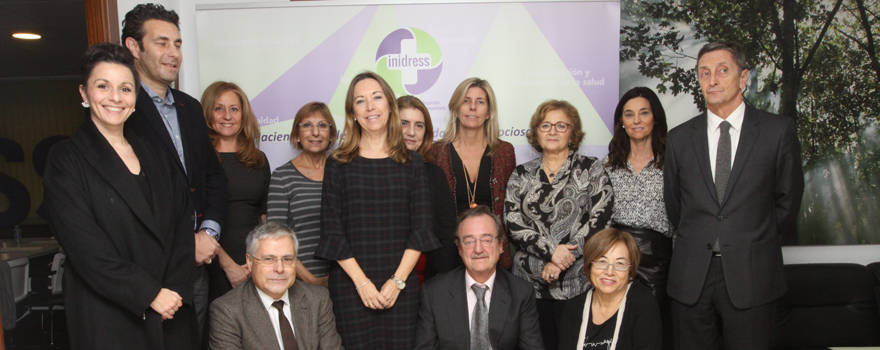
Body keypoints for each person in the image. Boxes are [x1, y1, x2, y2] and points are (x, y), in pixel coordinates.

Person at [44, 43, 197, 349]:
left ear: (136, 96)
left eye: (125, 88)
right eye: (103, 86)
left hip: (171, 308)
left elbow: (182, 226)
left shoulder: (156, 155)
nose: (115, 97)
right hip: (109, 313)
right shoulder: (66, 159)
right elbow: (86, 248)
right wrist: (148, 294)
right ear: (85, 94)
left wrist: (172, 292)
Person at [664, 41, 804, 349]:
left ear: (743, 78)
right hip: (691, 278)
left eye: (722, 70)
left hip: (752, 275)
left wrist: (747, 238)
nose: (712, 80)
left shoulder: (777, 131)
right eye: (704, 73)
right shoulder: (679, 138)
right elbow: (676, 206)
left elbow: (787, 202)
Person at [314, 71, 441, 349]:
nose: (370, 107)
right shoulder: (337, 163)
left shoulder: (413, 162)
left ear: (389, 106)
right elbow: (332, 233)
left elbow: (421, 230)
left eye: (377, 97)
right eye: (361, 101)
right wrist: (362, 284)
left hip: (400, 285)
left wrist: (396, 282)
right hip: (351, 286)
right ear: (353, 113)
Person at [121, 3, 227, 335]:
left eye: (178, 44)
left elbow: (213, 177)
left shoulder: (190, 107)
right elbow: (128, 198)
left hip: (196, 266)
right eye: (162, 42)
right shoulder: (120, 109)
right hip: (147, 270)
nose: (173, 53)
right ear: (133, 47)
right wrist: (186, 243)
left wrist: (208, 233)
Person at [505, 100, 614, 350]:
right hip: (530, 286)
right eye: (546, 125)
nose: (552, 131)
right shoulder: (521, 174)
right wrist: (551, 252)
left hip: (577, 283)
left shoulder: (591, 168)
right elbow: (512, 223)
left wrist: (563, 258)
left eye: (561, 125)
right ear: (536, 131)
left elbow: (602, 218)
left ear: (572, 133)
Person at [415, 205, 544, 350]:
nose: (478, 249)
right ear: (460, 249)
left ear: (501, 246)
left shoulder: (521, 292)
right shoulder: (434, 293)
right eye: (469, 241)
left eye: (487, 240)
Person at [602, 87, 673, 348]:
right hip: (616, 261)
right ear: (622, 121)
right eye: (629, 115)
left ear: (656, 118)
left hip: (658, 263)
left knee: (651, 333)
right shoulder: (607, 165)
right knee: (617, 331)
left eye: (644, 113)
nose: (637, 120)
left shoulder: (673, 162)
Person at [209, 222, 344, 350]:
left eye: (287, 259)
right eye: (269, 259)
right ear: (249, 262)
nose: (279, 269)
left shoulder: (317, 298)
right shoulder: (227, 310)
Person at [432, 77, 516, 269]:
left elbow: (510, 207)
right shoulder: (436, 151)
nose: (472, 107)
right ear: (456, 110)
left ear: (488, 112)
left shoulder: (504, 151)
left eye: (480, 102)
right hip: (448, 254)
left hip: (491, 253)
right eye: (466, 101)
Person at [201, 81, 270, 301]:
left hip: (254, 263)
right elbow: (198, 221)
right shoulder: (200, 160)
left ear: (243, 115)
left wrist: (259, 262)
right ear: (208, 113)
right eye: (219, 108)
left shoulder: (258, 159)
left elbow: (264, 216)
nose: (227, 116)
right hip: (213, 263)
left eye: (234, 109)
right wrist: (228, 266)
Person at [267, 102, 338, 287]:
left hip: (344, 278)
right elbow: (277, 238)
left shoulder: (343, 172)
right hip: (300, 281)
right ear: (297, 134)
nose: (315, 132)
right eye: (307, 125)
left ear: (331, 134)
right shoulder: (282, 176)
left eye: (322, 125)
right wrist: (310, 280)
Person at [558, 228, 661, 350]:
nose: (609, 271)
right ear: (589, 267)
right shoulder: (573, 308)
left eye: (620, 264)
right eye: (602, 261)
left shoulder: (643, 304)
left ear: (630, 270)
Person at [398, 95, 459, 280]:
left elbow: (448, 229)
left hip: (429, 276)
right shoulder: (374, 170)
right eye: (404, 123)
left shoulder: (434, 174)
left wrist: (443, 276)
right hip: (385, 271)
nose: (411, 132)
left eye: (419, 125)